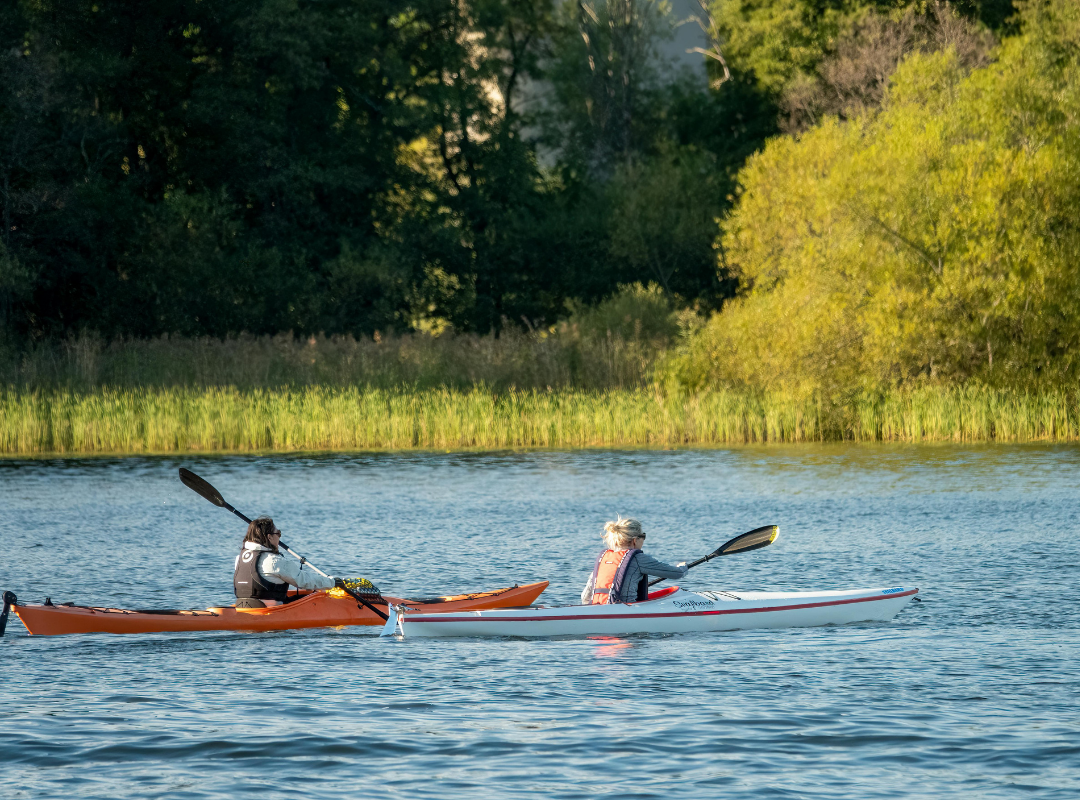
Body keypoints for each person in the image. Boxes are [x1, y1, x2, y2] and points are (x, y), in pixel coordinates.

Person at [233, 517, 342, 608]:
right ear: (269, 537)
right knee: (318, 599)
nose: (279, 537)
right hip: (271, 611)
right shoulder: (274, 561)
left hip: (243, 606)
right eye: (278, 533)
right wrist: (332, 583)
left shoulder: (239, 558)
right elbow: (304, 581)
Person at [581, 517, 688, 605]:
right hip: (627, 611)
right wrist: (683, 567)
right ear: (635, 540)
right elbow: (677, 574)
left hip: (597, 608)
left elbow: (585, 597)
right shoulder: (638, 558)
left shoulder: (604, 559)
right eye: (643, 536)